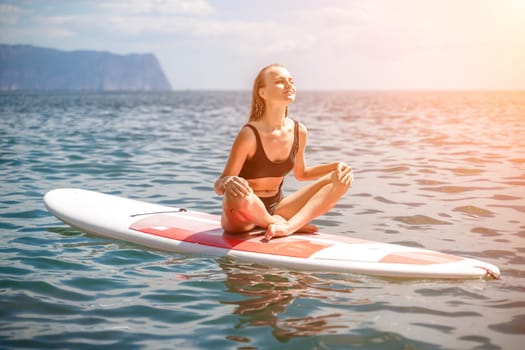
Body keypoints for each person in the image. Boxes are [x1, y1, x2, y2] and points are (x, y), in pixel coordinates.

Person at [214, 64, 353, 241]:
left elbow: (302, 174)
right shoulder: (249, 135)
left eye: (291, 81)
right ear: (262, 93)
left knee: (341, 179)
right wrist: (229, 182)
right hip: (243, 213)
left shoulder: (298, 131)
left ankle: (288, 226)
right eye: (280, 82)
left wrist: (335, 167)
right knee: (239, 192)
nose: (289, 85)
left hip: (277, 207)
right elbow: (219, 185)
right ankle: (280, 223)